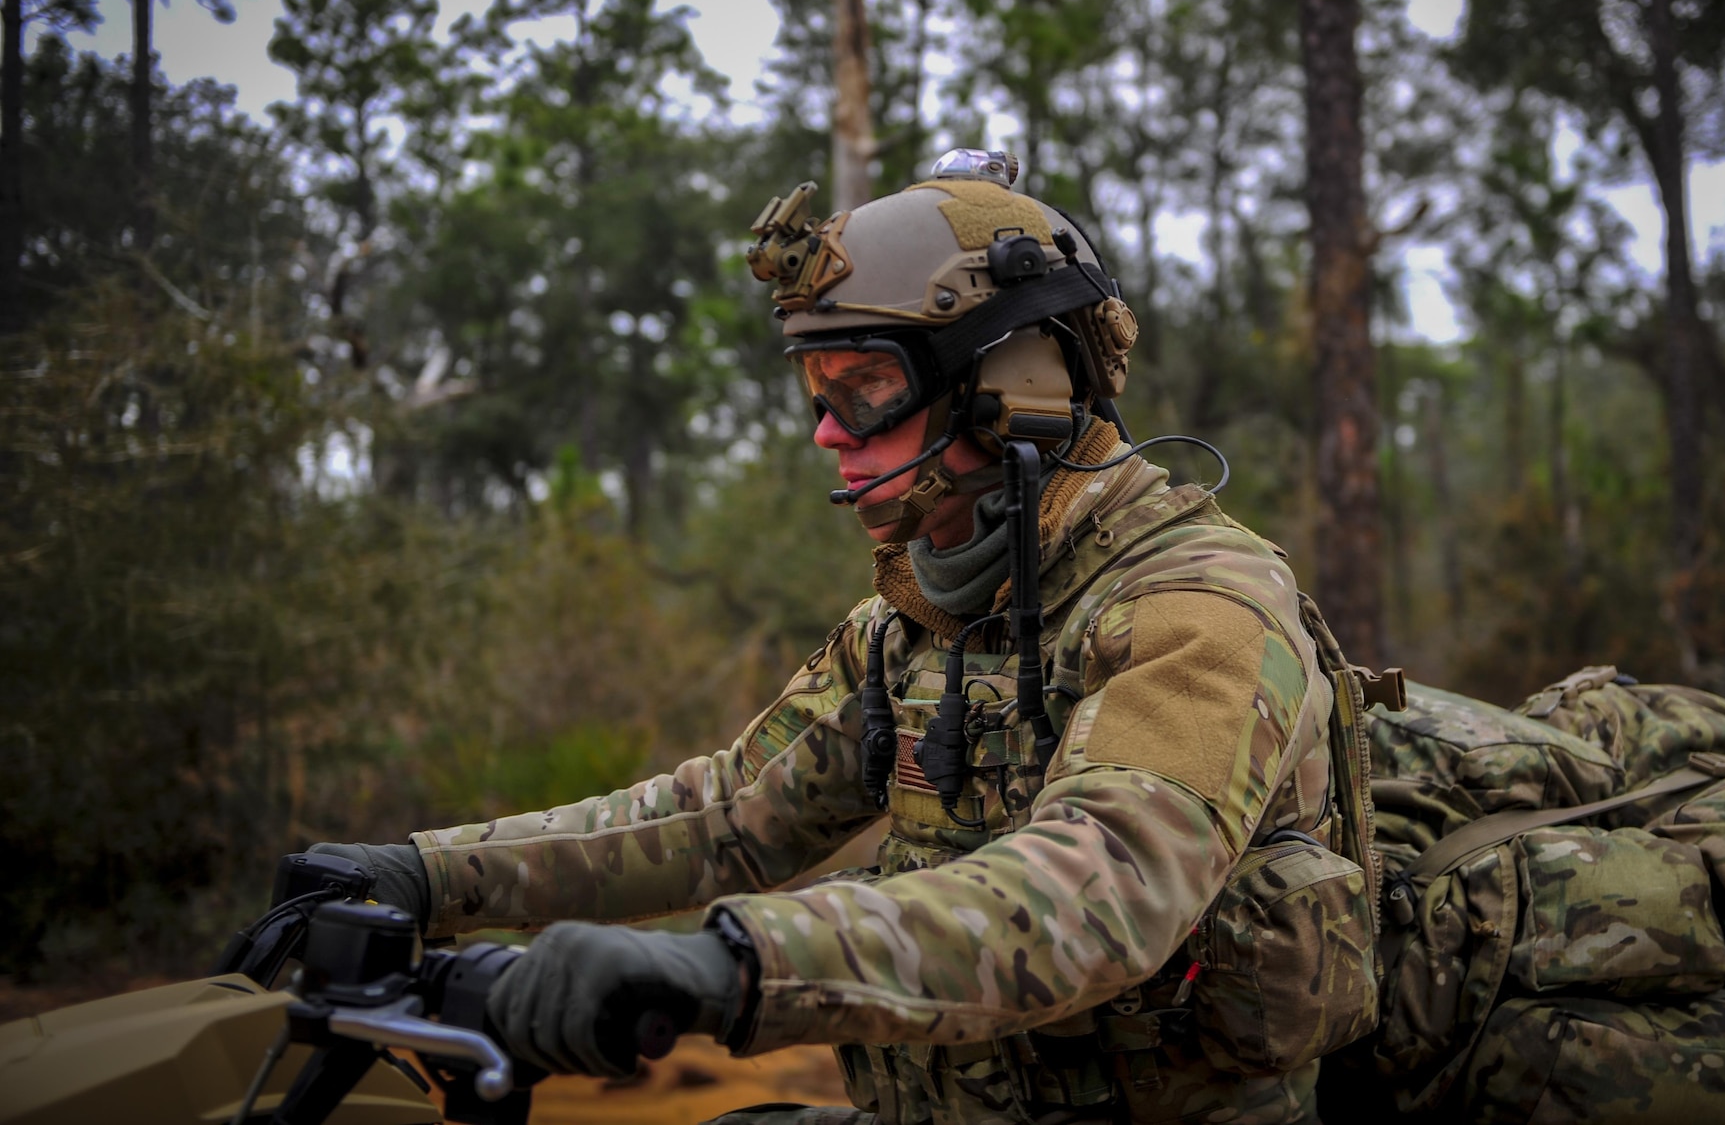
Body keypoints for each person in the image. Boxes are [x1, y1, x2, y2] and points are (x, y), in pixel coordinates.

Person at [309, 150, 1380, 1125]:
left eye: (865, 388)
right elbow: (725, 815)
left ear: (1014, 384)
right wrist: (417, 875)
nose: (827, 430)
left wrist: (725, 965)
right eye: (815, 390)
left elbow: (1096, 892)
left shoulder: (1201, 600)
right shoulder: (911, 622)